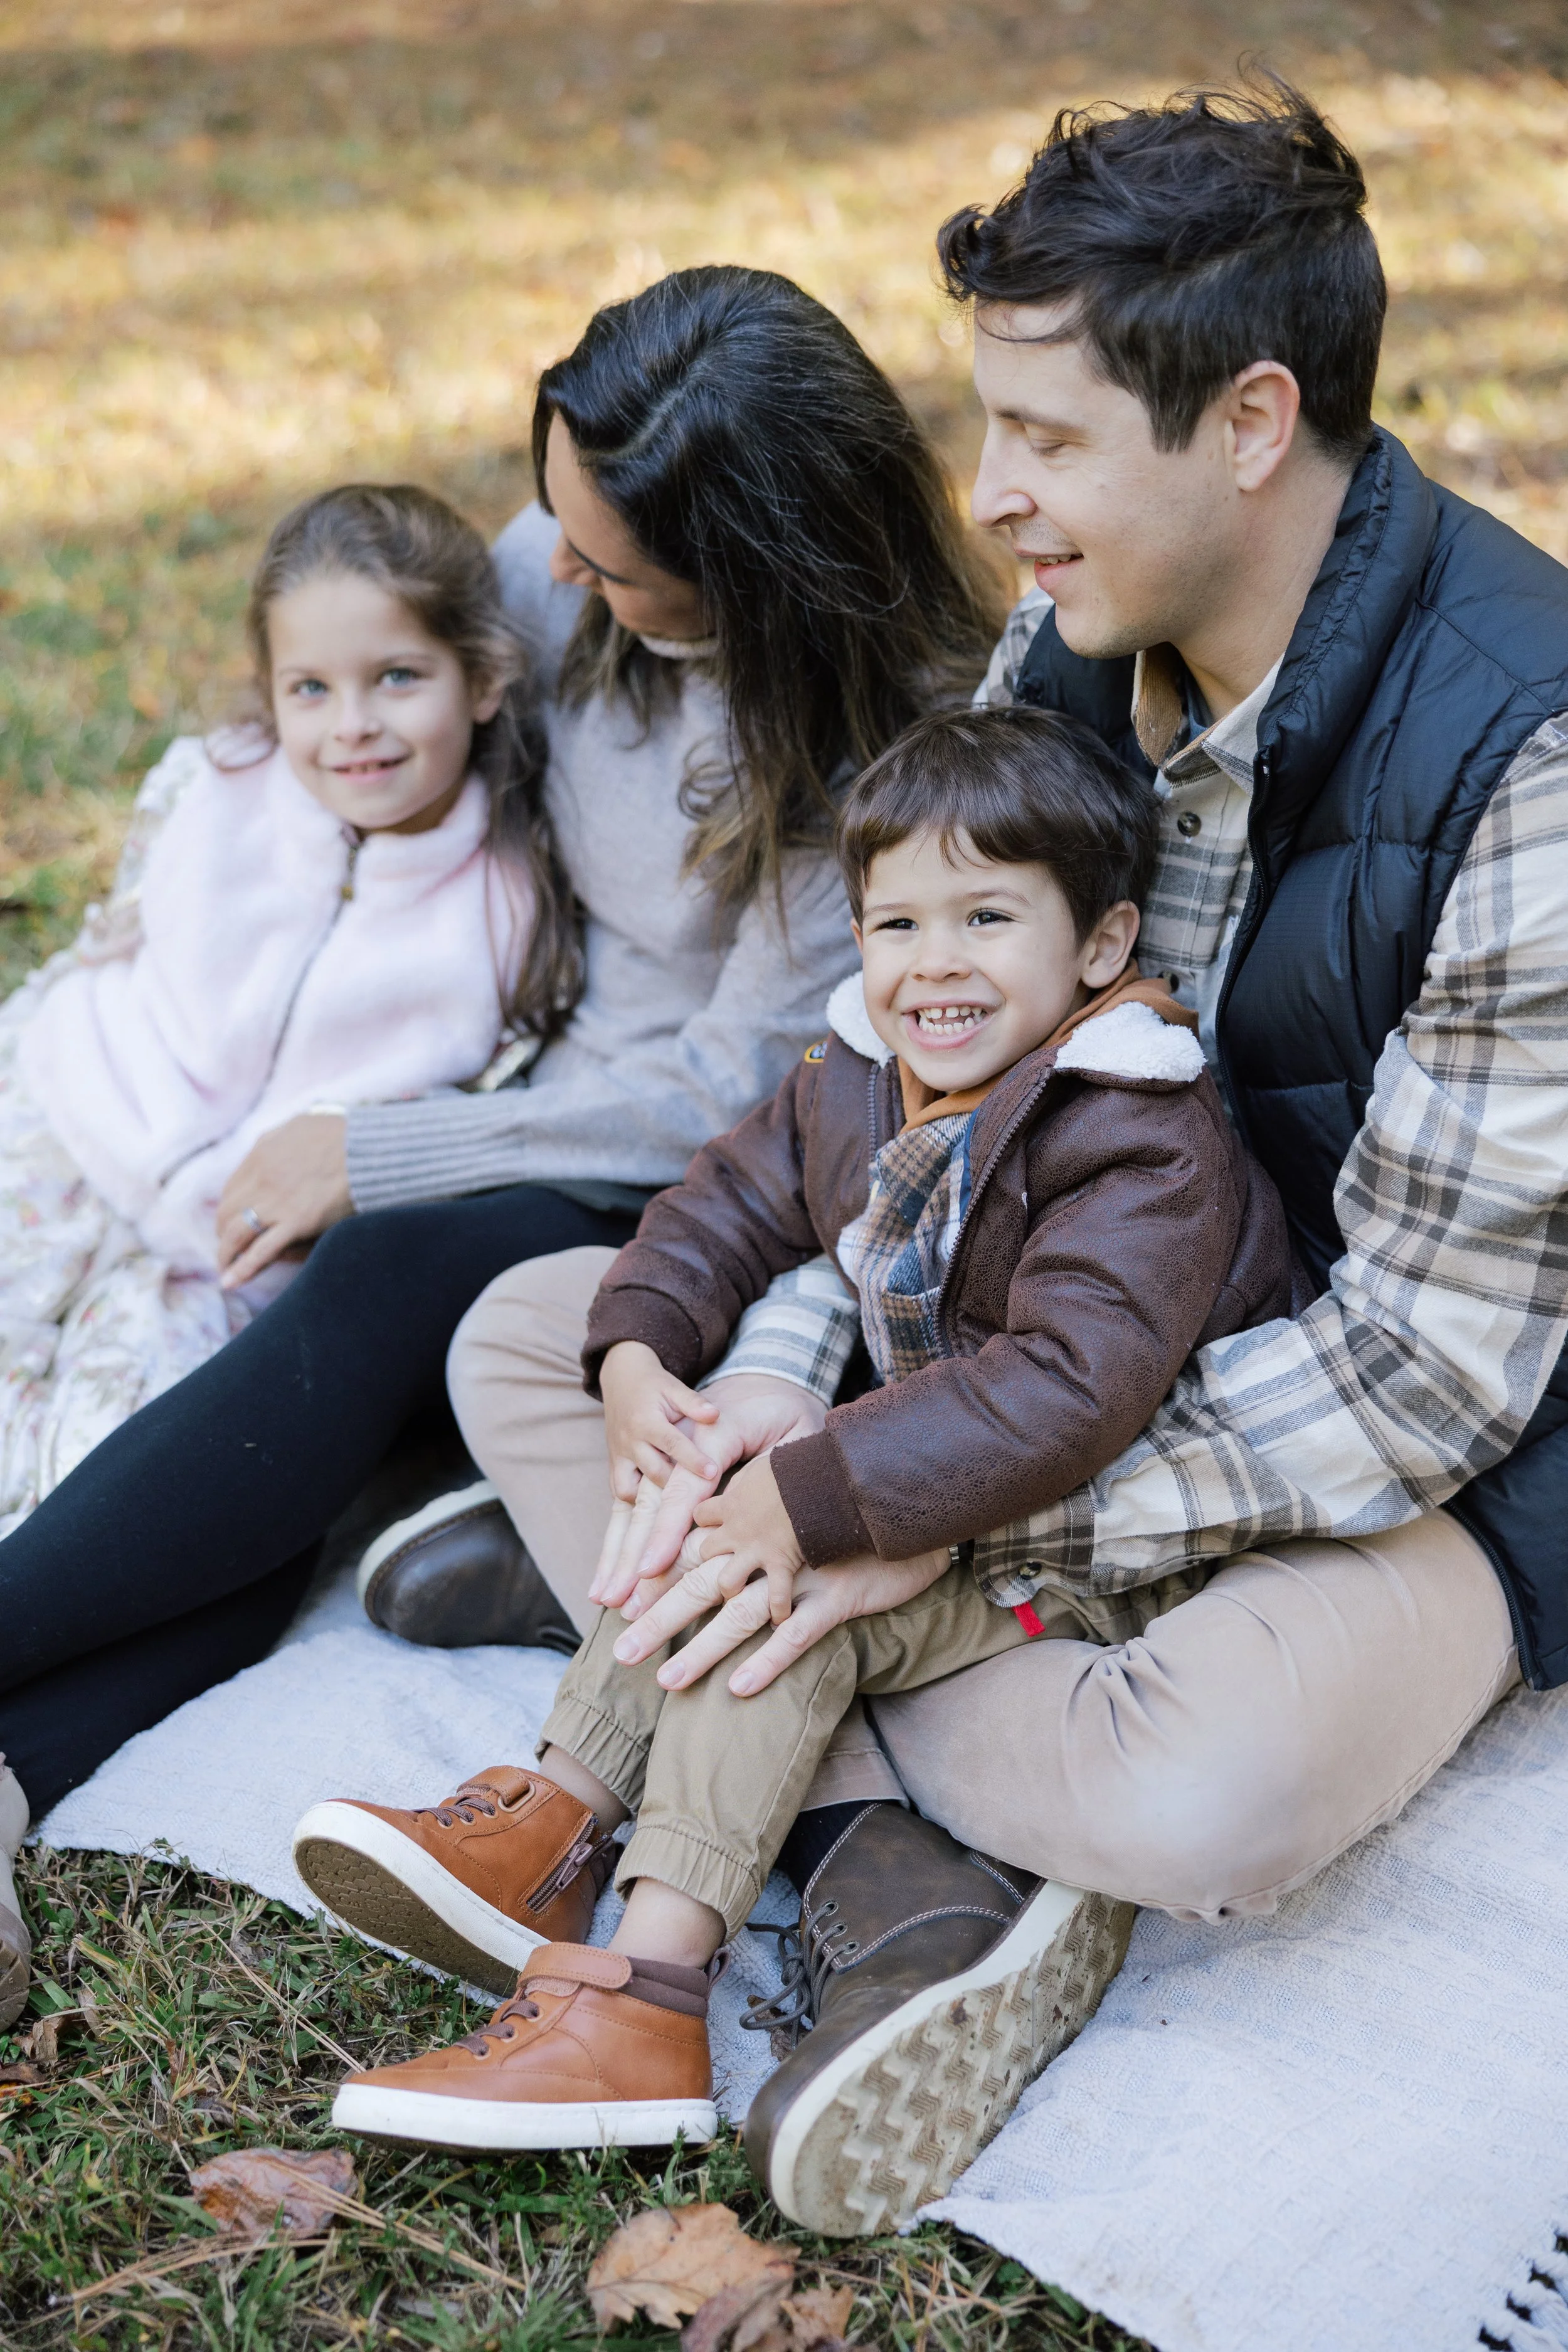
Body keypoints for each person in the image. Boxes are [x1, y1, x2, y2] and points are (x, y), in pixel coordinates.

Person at [371, 75, 1568, 2233]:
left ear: (1250, 419)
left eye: (1045, 436)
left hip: (1385, 1453)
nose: (990, 497)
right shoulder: (1068, 640)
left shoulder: (1530, 763)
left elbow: (1425, 1371)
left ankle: (674, 1684)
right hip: (1026, 1337)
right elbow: (897, 1114)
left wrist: (916, 1505)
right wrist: (754, 1403)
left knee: (1210, 1787)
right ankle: (872, 1834)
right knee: (545, 1340)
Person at [0, 264, 1000, 2028]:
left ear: (759, 569)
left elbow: (725, 1088)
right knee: (291, 1466)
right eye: (556, 525)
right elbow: (399, 678)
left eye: (611, 566)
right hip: (505, 1073)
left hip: (681, 1166)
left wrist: (389, 1147)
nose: (553, 580)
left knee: (373, 1282)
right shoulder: (561, 560)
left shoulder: (881, 749)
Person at [296, 701, 1290, 2171]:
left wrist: (815, 1497)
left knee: (778, 1596)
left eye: (985, 916)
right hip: (923, 1465)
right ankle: (558, 1821)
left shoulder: (1137, 1132)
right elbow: (724, 1203)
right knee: (730, 1501)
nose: (930, 963)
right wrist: (640, 1354)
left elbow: (1067, 1391)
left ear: (1098, 946)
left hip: (1093, 1545)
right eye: (894, 922)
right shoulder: (858, 1071)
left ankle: (646, 1987)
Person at [0, 478, 561, 2020]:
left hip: (237, 1247)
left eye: (398, 678)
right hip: (69, 1134)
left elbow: (469, 1108)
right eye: (308, 687)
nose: (351, 727)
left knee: (155, 1501)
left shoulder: (512, 898)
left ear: (484, 680)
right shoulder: (216, 793)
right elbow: (106, 972)